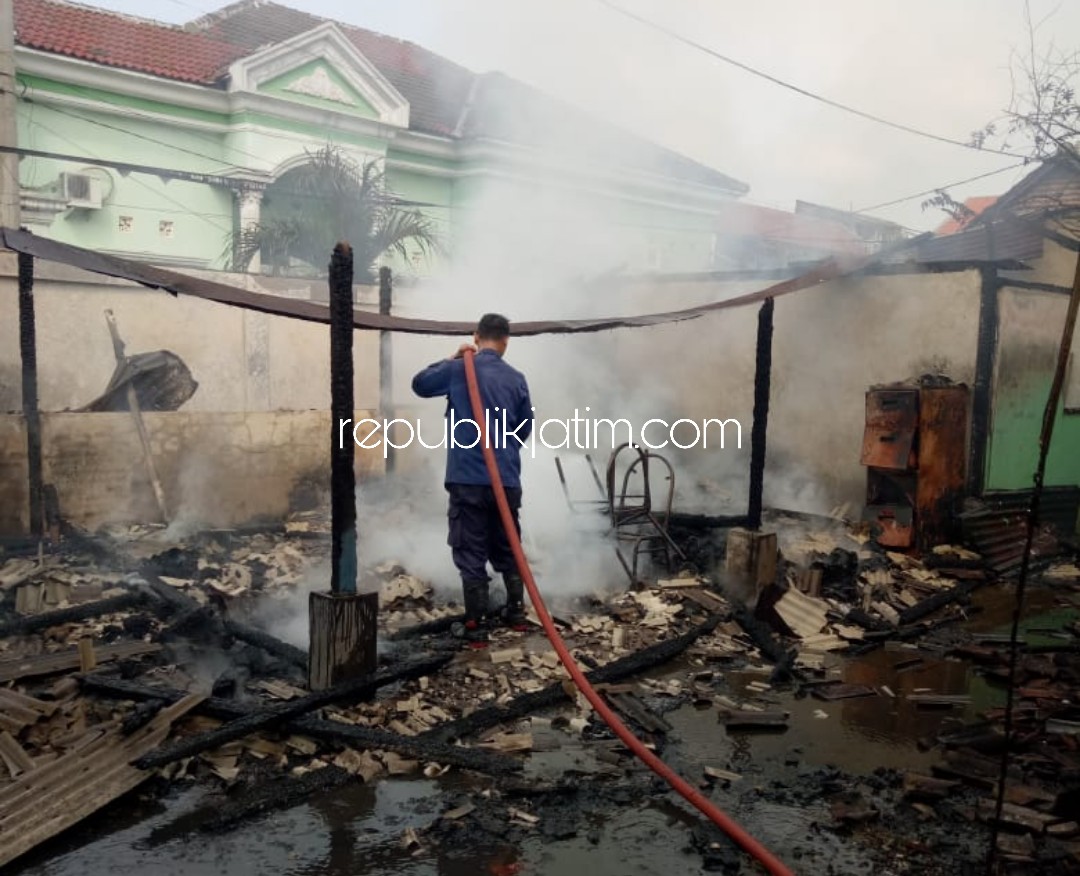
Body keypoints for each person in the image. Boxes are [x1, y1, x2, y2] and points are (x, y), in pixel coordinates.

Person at [411, 313, 534, 646]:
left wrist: (451, 357)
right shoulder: (517, 378)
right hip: (506, 480)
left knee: (471, 549)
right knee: (508, 544)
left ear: (476, 337)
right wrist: (502, 450)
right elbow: (524, 430)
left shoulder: (458, 369)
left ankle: (477, 626)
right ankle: (517, 613)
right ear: (506, 341)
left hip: (468, 480)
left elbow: (419, 384)